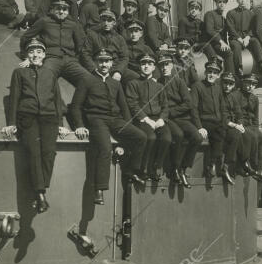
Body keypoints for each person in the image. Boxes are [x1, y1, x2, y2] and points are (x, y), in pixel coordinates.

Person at [71, 48, 146, 205]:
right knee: (105, 148)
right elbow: (75, 106)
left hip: (115, 119)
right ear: (96, 63)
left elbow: (124, 108)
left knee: (141, 137)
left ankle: (131, 170)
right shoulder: (87, 80)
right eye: (101, 61)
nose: (104, 64)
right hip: (97, 120)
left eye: (107, 61)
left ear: (112, 63)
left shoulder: (115, 84)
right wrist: (79, 125)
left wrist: (127, 127)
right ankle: (100, 189)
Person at [2, 38, 68, 213]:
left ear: (44, 55)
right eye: (32, 51)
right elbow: (14, 99)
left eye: (39, 51)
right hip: (28, 118)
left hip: (49, 118)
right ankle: (40, 193)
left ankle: (39, 188)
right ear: (27, 55)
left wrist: (61, 123)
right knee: (34, 152)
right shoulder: (19, 73)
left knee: (49, 153)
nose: (35, 55)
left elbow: (57, 100)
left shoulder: (50, 74)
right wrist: (11, 123)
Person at [19, 0, 89, 87]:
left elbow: (80, 44)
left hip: (70, 60)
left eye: (65, 9)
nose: (61, 11)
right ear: (52, 9)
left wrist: (75, 59)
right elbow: (25, 37)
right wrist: (27, 56)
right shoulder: (44, 21)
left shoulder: (72, 25)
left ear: (68, 11)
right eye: (58, 8)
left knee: (88, 79)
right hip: (51, 59)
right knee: (44, 78)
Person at [125, 54, 172, 181]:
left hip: (158, 118)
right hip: (142, 119)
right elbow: (132, 104)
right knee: (150, 137)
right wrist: (146, 119)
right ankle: (142, 169)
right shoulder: (133, 83)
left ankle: (156, 167)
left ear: (154, 67)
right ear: (140, 66)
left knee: (166, 138)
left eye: (149, 64)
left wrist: (162, 119)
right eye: (143, 63)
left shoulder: (159, 86)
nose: (146, 66)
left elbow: (165, 105)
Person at [158, 52, 202, 188]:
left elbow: (189, 103)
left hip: (181, 117)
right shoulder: (158, 83)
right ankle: (175, 168)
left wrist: (172, 111)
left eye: (167, 64)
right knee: (178, 135)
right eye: (162, 65)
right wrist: (167, 114)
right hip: (168, 119)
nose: (164, 67)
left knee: (197, 137)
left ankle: (183, 167)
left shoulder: (179, 82)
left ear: (172, 65)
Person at [190, 61, 225, 179]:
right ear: (205, 72)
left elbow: (222, 109)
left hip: (217, 122)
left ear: (218, 75)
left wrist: (224, 123)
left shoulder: (218, 88)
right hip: (204, 122)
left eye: (215, 72)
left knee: (223, 133)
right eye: (209, 71)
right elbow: (193, 109)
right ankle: (211, 166)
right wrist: (199, 127)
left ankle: (216, 165)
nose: (211, 74)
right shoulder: (197, 86)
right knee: (213, 136)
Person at [238, 74, 262, 184]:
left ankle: (261, 170)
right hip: (241, 125)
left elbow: (256, 117)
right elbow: (235, 113)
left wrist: (256, 128)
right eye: (248, 83)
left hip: (251, 126)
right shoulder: (236, 95)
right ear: (243, 83)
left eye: (252, 84)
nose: (250, 86)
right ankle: (248, 164)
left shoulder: (254, 98)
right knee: (253, 136)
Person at [226, 0, 262, 76]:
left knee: (255, 42)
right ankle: (239, 68)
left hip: (247, 39)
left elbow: (252, 28)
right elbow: (231, 28)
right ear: (237, 0)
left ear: (247, 0)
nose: (242, 0)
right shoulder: (231, 13)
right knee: (236, 46)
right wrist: (239, 39)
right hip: (235, 39)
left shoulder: (251, 14)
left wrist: (248, 38)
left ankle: (261, 63)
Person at [81, 9, 128, 80]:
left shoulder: (119, 38)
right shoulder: (92, 35)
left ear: (114, 22)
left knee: (134, 78)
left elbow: (124, 57)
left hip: (115, 68)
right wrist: (94, 69)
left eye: (109, 21)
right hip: (98, 67)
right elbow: (85, 53)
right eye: (104, 20)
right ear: (100, 21)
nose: (106, 23)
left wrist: (118, 71)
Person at [219, 72, 247, 185]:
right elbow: (220, 116)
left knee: (246, 134)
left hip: (232, 125)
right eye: (225, 83)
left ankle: (241, 164)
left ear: (233, 85)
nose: (227, 86)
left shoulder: (232, 96)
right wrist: (235, 125)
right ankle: (226, 166)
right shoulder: (218, 96)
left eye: (230, 84)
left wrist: (240, 124)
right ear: (222, 83)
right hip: (221, 125)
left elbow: (239, 113)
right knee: (236, 135)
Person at [201, 0, 234, 73]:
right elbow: (210, 30)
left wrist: (226, 44)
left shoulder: (223, 18)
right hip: (211, 43)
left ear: (226, 4)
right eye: (219, 2)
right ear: (216, 3)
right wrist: (221, 42)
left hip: (219, 44)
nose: (221, 4)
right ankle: (229, 75)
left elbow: (226, 34)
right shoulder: (210, 14)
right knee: (228, 53)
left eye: (223, 2)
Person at [123, 19, 154, 84]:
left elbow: (154, 63)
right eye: (131, 31)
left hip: (144, 74)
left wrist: (155, 77)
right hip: (127, 77)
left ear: (141, 34)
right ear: (127, 33)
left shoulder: (146, 48)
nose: (133, 34)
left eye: (136, 31)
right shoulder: (123, 47)